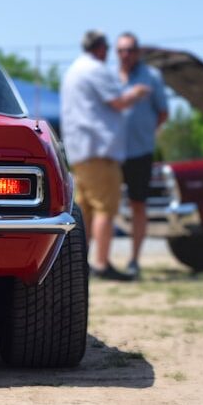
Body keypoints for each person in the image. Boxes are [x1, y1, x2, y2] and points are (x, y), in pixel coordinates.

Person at [61, 30, 151, 281]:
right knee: (105, 208)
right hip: (100, 151)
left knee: (86, 210)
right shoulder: (96, 70)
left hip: (80, 152)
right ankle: (101, 263)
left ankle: (81, 264)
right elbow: (118, 101)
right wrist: (137, 93)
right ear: (101, 48)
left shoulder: (73, 70)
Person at [115, 32, 168, 278]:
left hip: (140, 152)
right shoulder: (109, 77)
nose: (126, 54)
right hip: (112, 153)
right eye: (121, 50)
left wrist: (146, 133)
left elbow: (163, 113)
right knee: (105, 206)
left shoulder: (152, 77)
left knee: (138, 204)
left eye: (130, 49)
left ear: (138, 51)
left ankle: (134, 259)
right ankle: (100, 259)